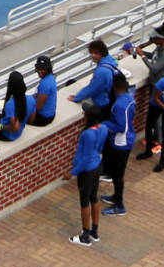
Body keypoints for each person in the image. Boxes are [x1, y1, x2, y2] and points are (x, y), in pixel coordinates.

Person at [69, 101, 108, 246]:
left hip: (87, 171)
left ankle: (85, 236)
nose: (83, 113)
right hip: (97, 165)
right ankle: (94, 231)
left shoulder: (87, 134)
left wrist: (72, 173)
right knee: (94, 197)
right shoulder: (103, 128)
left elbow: (85, 158)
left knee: (84, 202)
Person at [97, 71, 134, 216]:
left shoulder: (119, 105)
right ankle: (116, 197)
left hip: (121, 143)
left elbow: (122, 127)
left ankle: (119, 205)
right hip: (124, 141)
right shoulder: (129, 97)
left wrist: (105, 124)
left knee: (118, 175)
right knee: (116, 174)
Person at [0, 69, 31, 141]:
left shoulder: (10, 104)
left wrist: (0, 127)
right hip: (17, 131)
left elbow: (15, 127)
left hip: (8, 135)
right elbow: (31, 119)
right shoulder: (29, 99)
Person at [28, 54, 59, 126]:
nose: (40, 71)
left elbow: (38, 107)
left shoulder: (45, 84)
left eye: (43, 69)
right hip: (50, 114)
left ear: (48, 69)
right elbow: (39, 95)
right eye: (39, 68)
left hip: (43, 118)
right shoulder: (50, 77)